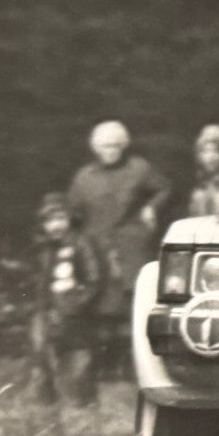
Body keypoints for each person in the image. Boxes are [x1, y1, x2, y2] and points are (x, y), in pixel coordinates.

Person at [68, 120, 171, 374]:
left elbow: (164, 189)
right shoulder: (84, 177)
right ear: (95, 148)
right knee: (102, 306)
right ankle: (106, 366)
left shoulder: (139, 168)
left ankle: (134, 364)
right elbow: (73, 212)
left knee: (133, 303)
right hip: (97, 248)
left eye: (116, 146)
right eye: (105, 146)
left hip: (131, 245)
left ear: (124, 146)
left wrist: (150, 208)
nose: (111, 151)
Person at [30, 193, 102, 406]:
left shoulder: (81, 244)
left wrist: (77, 304)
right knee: (41, 353)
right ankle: (46, 402)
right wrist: (41, 306)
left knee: (78, 356)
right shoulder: (42, 248)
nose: (55, 225)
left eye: (60, 218)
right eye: (49, 220)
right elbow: (38, 280)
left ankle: (82, 401)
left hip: (73, 311)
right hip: (46, 310)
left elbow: (94, 279)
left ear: (70, 218)